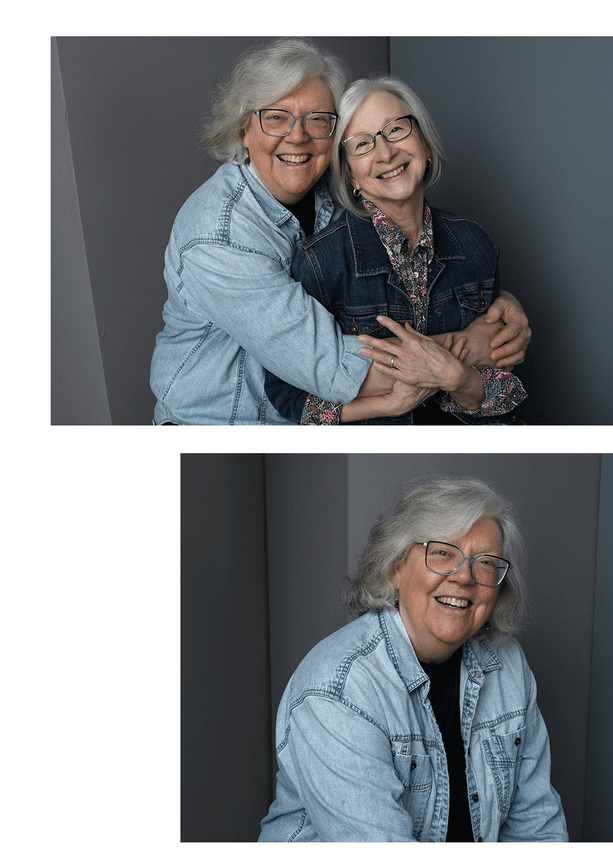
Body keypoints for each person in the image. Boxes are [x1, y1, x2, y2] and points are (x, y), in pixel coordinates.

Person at [149, 39, 529, 424]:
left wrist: (499, 304)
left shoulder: (332, 200)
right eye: (276, 117)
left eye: (317, 119)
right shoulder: (219, 236)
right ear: (242, 130)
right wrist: (472, 347)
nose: (298, 136)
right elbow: (330, 367)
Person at [258, 476, 568, 842]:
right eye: (442, 553)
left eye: (485, 563)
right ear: (395, 567)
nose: (465, 577)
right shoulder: (339, 690)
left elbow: (537, 828)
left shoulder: (507, 664)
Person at [265, 76, 526, 424]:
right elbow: (288, 398)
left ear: (425, 143)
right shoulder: (321, 262)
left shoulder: (475, 243)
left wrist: (460, 379)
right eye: (362, 144)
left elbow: (506, 390)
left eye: (396, 129)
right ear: (350, 176)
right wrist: (390, 404)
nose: (386, 152)